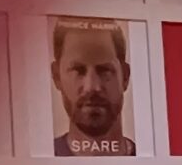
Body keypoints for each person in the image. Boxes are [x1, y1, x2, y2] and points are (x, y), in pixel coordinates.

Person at [50, 18, 135, 157]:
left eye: (104, 70)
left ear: (125, 76)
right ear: (56, 76)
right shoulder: (38, 160)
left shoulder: (150, 159)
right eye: (78, 70)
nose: (92, 87)